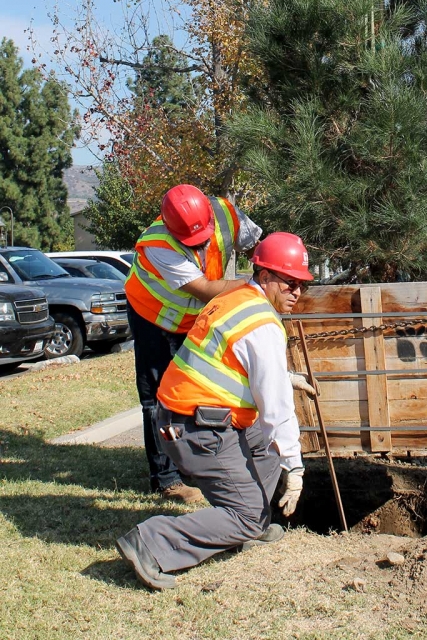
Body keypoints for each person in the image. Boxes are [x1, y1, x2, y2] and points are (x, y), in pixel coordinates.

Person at [116, 232, 314, 591]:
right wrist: (296, 469)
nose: (297, 291)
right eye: (290, 282)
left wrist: (283, 376)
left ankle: (247, 518)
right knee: (251, 508)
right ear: (266, 276)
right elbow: (277, 409)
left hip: (193, 415)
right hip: (194, 428)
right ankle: (153, 544)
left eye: (302, 283)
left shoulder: (237, 297)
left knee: (266, 445)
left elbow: (233, 359)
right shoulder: (264, 325)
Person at [124, 184, 262, 503]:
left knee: (199, 388)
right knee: (158, 395)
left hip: (192, 319)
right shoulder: (157, 243)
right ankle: (167, 479)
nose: (201, 245)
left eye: (203, 237)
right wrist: (256, 286)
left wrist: (270, 265)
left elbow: (257, 244)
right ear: (170, 227)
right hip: (151, 316)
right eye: (192, 242)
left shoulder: (226, 213)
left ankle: (195, 461)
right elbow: (202, 288)